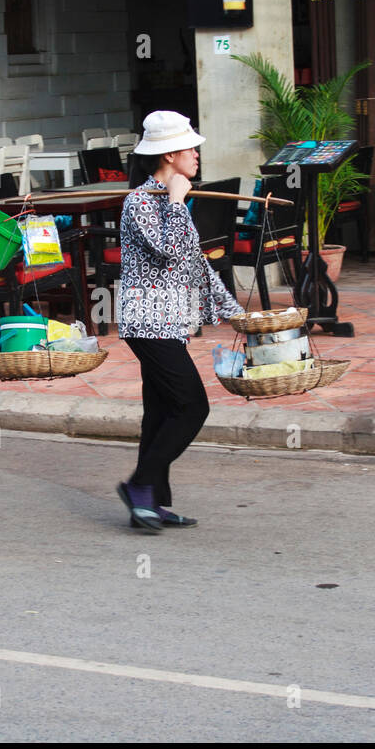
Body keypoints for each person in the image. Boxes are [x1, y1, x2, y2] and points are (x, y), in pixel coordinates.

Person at [115, 111, 245, 531]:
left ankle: (150, 503)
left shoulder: (171, 202)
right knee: (192, 406)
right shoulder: (140, 202)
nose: (196, 155)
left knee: (161, 410)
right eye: (190, 148)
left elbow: (196, 264)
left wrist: (237, 314)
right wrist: (174, 200)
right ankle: (139, 486)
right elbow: (169, 252)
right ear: (169, 155)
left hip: (171, 323)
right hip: (147, 323)